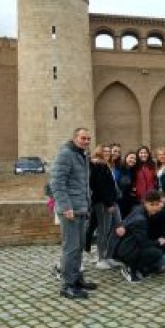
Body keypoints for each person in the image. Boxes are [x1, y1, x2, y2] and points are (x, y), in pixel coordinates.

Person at [50, 127, 97, 299]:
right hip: (70, 210)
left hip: (81, 208)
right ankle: (67, 285)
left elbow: (82, 184)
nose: (86, 141)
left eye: (88, 139)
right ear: (75, 138)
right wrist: (65, 207)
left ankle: (77, 279)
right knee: (70, 248)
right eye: (83, 138)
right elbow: (57, 183)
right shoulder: (66, 154)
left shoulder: (82, 155)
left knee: (78, 248)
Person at [108, 191, 165, 283]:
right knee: (156, 253)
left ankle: (137, 268)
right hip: (124, 250)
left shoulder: (139, 210)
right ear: (145, 203)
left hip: (120, 246)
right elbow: (143, 243)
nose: (155, 207)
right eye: (152, 204)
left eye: (157, 204)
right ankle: (130, 269)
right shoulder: (141, 219)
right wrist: (158, 242)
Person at [89, 144, 121, 270]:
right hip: (102, 203)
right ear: (99, 152)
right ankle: (101, 259)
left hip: (111, 201)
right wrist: (108, 203)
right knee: (103, 230)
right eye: (105, 151)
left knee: (113, 228)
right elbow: (100, 187)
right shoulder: (98, 165)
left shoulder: (106, 165)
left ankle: (108, 256)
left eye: (109, 151)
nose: (108, 153)